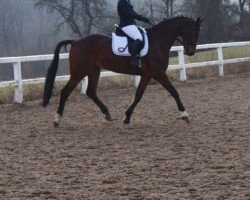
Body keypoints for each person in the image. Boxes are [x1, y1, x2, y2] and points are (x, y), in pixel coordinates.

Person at [117, 0, 150, 67]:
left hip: (131, 24)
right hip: (126, 25)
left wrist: (142, 18)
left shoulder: (127, 1)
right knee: (139, 38)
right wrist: (140, 17)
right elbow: (128, 14)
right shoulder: (122, 2)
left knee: (143, 33)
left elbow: (132, 12)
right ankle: (133, 60)